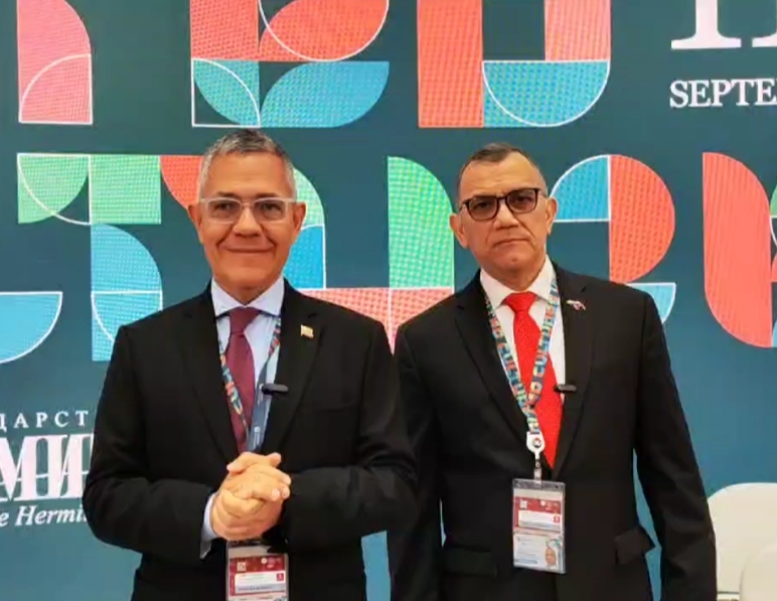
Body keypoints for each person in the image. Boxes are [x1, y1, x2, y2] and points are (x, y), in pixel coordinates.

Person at [83, 129, 416, 600]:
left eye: (268, 207)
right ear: (197, 218)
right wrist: (211, 513)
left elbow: (395, 483)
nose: (246, 226)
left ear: (297, 220)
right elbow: (106, 496)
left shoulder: (355, 340)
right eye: (224, 206)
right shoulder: (144, 346)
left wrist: (285, 502)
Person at [387, 143, 715, 601]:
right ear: (460, 229)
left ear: (550, 213)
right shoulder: (425, 340)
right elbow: (414, 508)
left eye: (521, 199)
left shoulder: (626, 315)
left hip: (610, 586)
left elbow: (674, 479)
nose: (505, 218)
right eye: (483, 206)